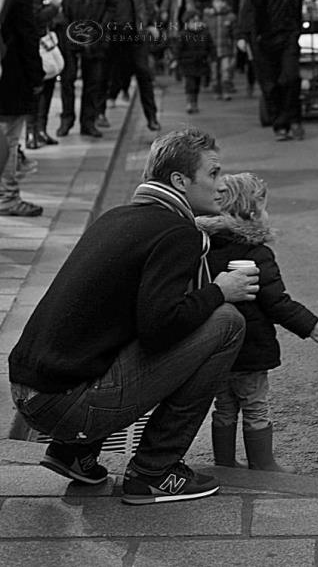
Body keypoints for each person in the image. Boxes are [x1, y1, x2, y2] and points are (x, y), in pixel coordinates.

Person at [8, 128, 260, 504]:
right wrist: (220, 291)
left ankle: (74, 452)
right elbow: (160, 329)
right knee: (226, 323)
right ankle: (155, 471)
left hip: (30, 393)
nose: (222, 186)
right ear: (179, 181)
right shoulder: (176, 232)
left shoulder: (119, 216)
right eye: (213, 174)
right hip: (66, 405)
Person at [196, 172, 318, 471]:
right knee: (255, 405)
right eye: (263, 207)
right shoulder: (257, 253)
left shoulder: (204, 249)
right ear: (251, 213)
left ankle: (225, 462)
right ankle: (263, 463)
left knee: (224, 406)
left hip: (216, 346)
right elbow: (275, 300)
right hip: (251, 347)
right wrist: (308, 324)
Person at [0, 0, 45, 217]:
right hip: (11, 72)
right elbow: (28, 34)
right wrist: (36, 75)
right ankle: (7, 197)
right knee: (9, 138)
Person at [54, 0, 115, 138]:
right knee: (68, 79)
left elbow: (111, 5)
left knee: (93, 81)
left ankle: (88, 122)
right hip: (69, 34)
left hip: (95, 36)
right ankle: (67, 119)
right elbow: (55, 4)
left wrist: (102, 29)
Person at [99, 0, 161, 132]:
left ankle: (152, 117)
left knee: (143, 72)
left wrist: (150, 23)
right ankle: (99, 112)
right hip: (111, 34)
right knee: (105, 74)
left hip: (135, 32)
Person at [244, 0, 304, 141]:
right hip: (264, 40)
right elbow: (252, 7)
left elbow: (297, 11)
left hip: (288, 37)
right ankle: (280, 125)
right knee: (270, 85)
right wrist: (248, 36)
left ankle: (294, 120)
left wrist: (296, 33)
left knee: (291, 77)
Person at [20, 0, 66, 148]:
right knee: (36, 89)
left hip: (42, 40)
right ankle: (32, 132)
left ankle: (40, 129)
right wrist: (54, 5)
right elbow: (36, 17)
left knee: (46, 87)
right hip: (34, 43)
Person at [172, 9, 216, 114]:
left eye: (197, 21)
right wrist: (175, 59)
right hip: (187, 63)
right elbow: (178, 48)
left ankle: (195, 102)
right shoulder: (183, 34)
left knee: (197, 84)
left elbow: (211, 46)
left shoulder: (205, 34)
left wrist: (213, 57)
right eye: (192, 22)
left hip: (200, 63)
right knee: (189, 84)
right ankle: (189, 103)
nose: (195, 24)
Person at [203, 0, 236, 100]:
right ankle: (216, 91)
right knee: (214, 72)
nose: (219, 4)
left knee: (226, 71)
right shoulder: (208, 17)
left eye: (221, 2)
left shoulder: (230, 17)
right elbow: (204, 32)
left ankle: (226, 91)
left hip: (226, 48)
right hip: (212, 49)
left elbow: (234, 33)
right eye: (216, 2)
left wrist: (234, 47)